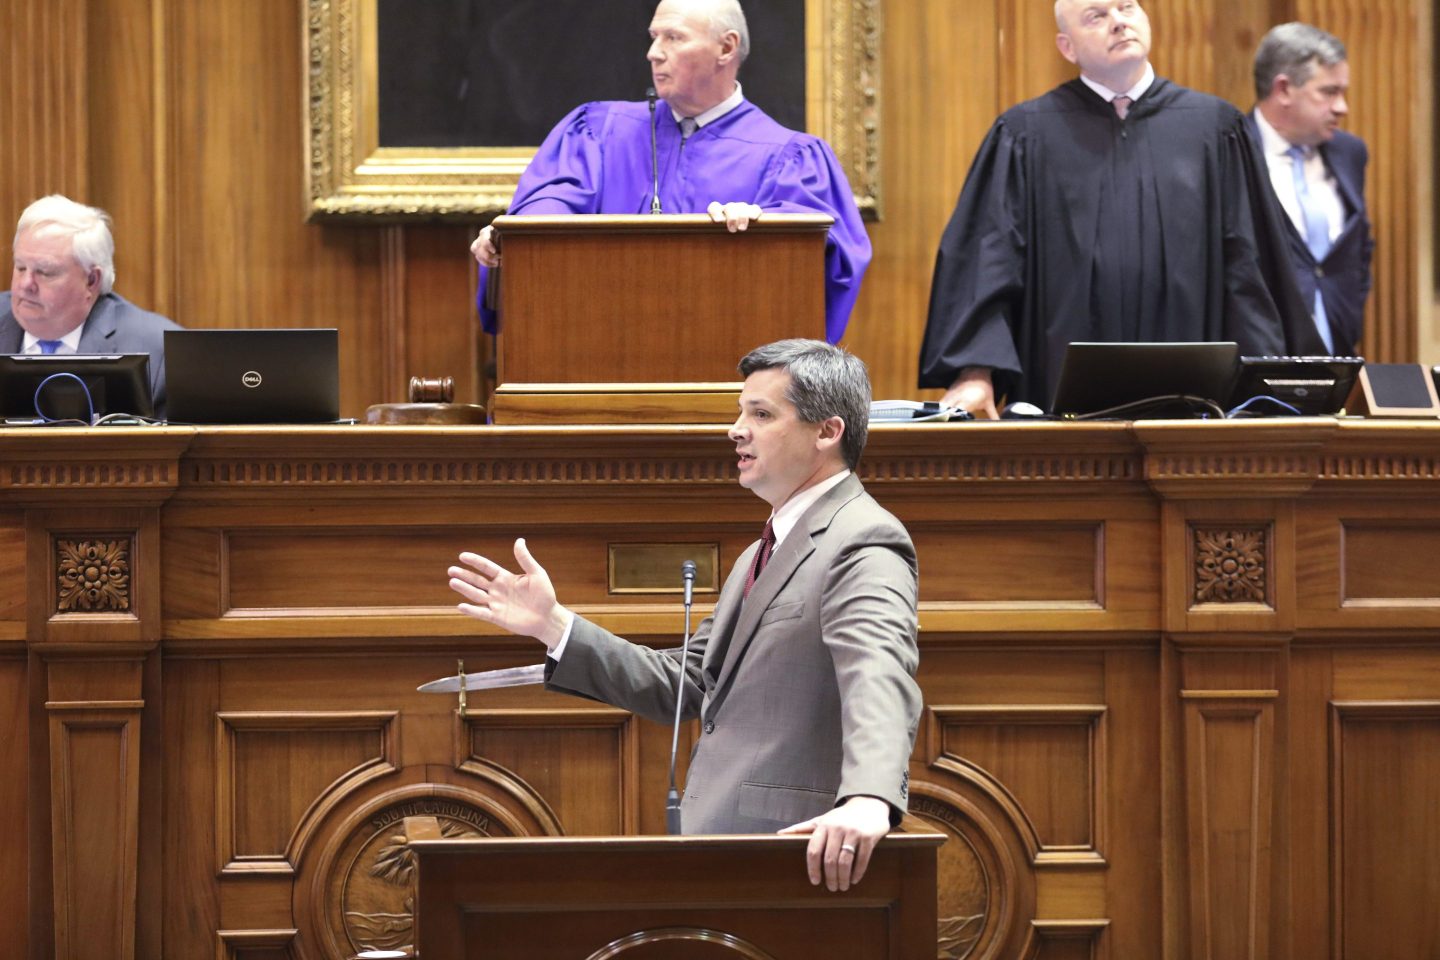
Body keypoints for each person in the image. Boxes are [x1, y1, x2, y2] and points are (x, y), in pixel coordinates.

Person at [448, 339, 921, 892]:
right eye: (740, 411)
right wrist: (552, 626)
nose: (735, 429)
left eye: (761, 414)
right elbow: (689, 683)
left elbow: (879, 671)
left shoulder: (862, 539)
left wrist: (869, 797)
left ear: (827, 432)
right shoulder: (762, 551)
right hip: (728, 849)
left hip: (800, 860)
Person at [918, 0, 1317, 418]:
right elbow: (992, 262)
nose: (1118, 22)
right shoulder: (1024, 135)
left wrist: (1263, 385)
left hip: (1196, 410)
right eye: (1097, 15)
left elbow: (1249, 267)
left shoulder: (1215, 129)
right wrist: (975, 371)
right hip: (1057, 407)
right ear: (1067, 47)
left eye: (1127, 7)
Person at [470, 0, 871, 344]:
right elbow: (552, 199)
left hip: (728, 389)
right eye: (653, 36)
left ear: (725, 48)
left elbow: (829, 259)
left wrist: (766, 232)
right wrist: (515, 234)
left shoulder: (790, 157)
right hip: (591, 361)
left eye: (673, 38)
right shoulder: (596, 132)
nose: (653, 52)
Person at [1247, 23, 1371, 356]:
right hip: (1263, 354)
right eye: (1329, 92)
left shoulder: (1349, 153)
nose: (1342, 107)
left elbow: (1359, 249)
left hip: (1339, 351)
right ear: (1284, 89)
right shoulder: (1235, 153)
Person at [1, 194, 181, 416]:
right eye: (20, 268)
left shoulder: (160, 350)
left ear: (91, 281)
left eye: (44, 272)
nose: (26, 284)